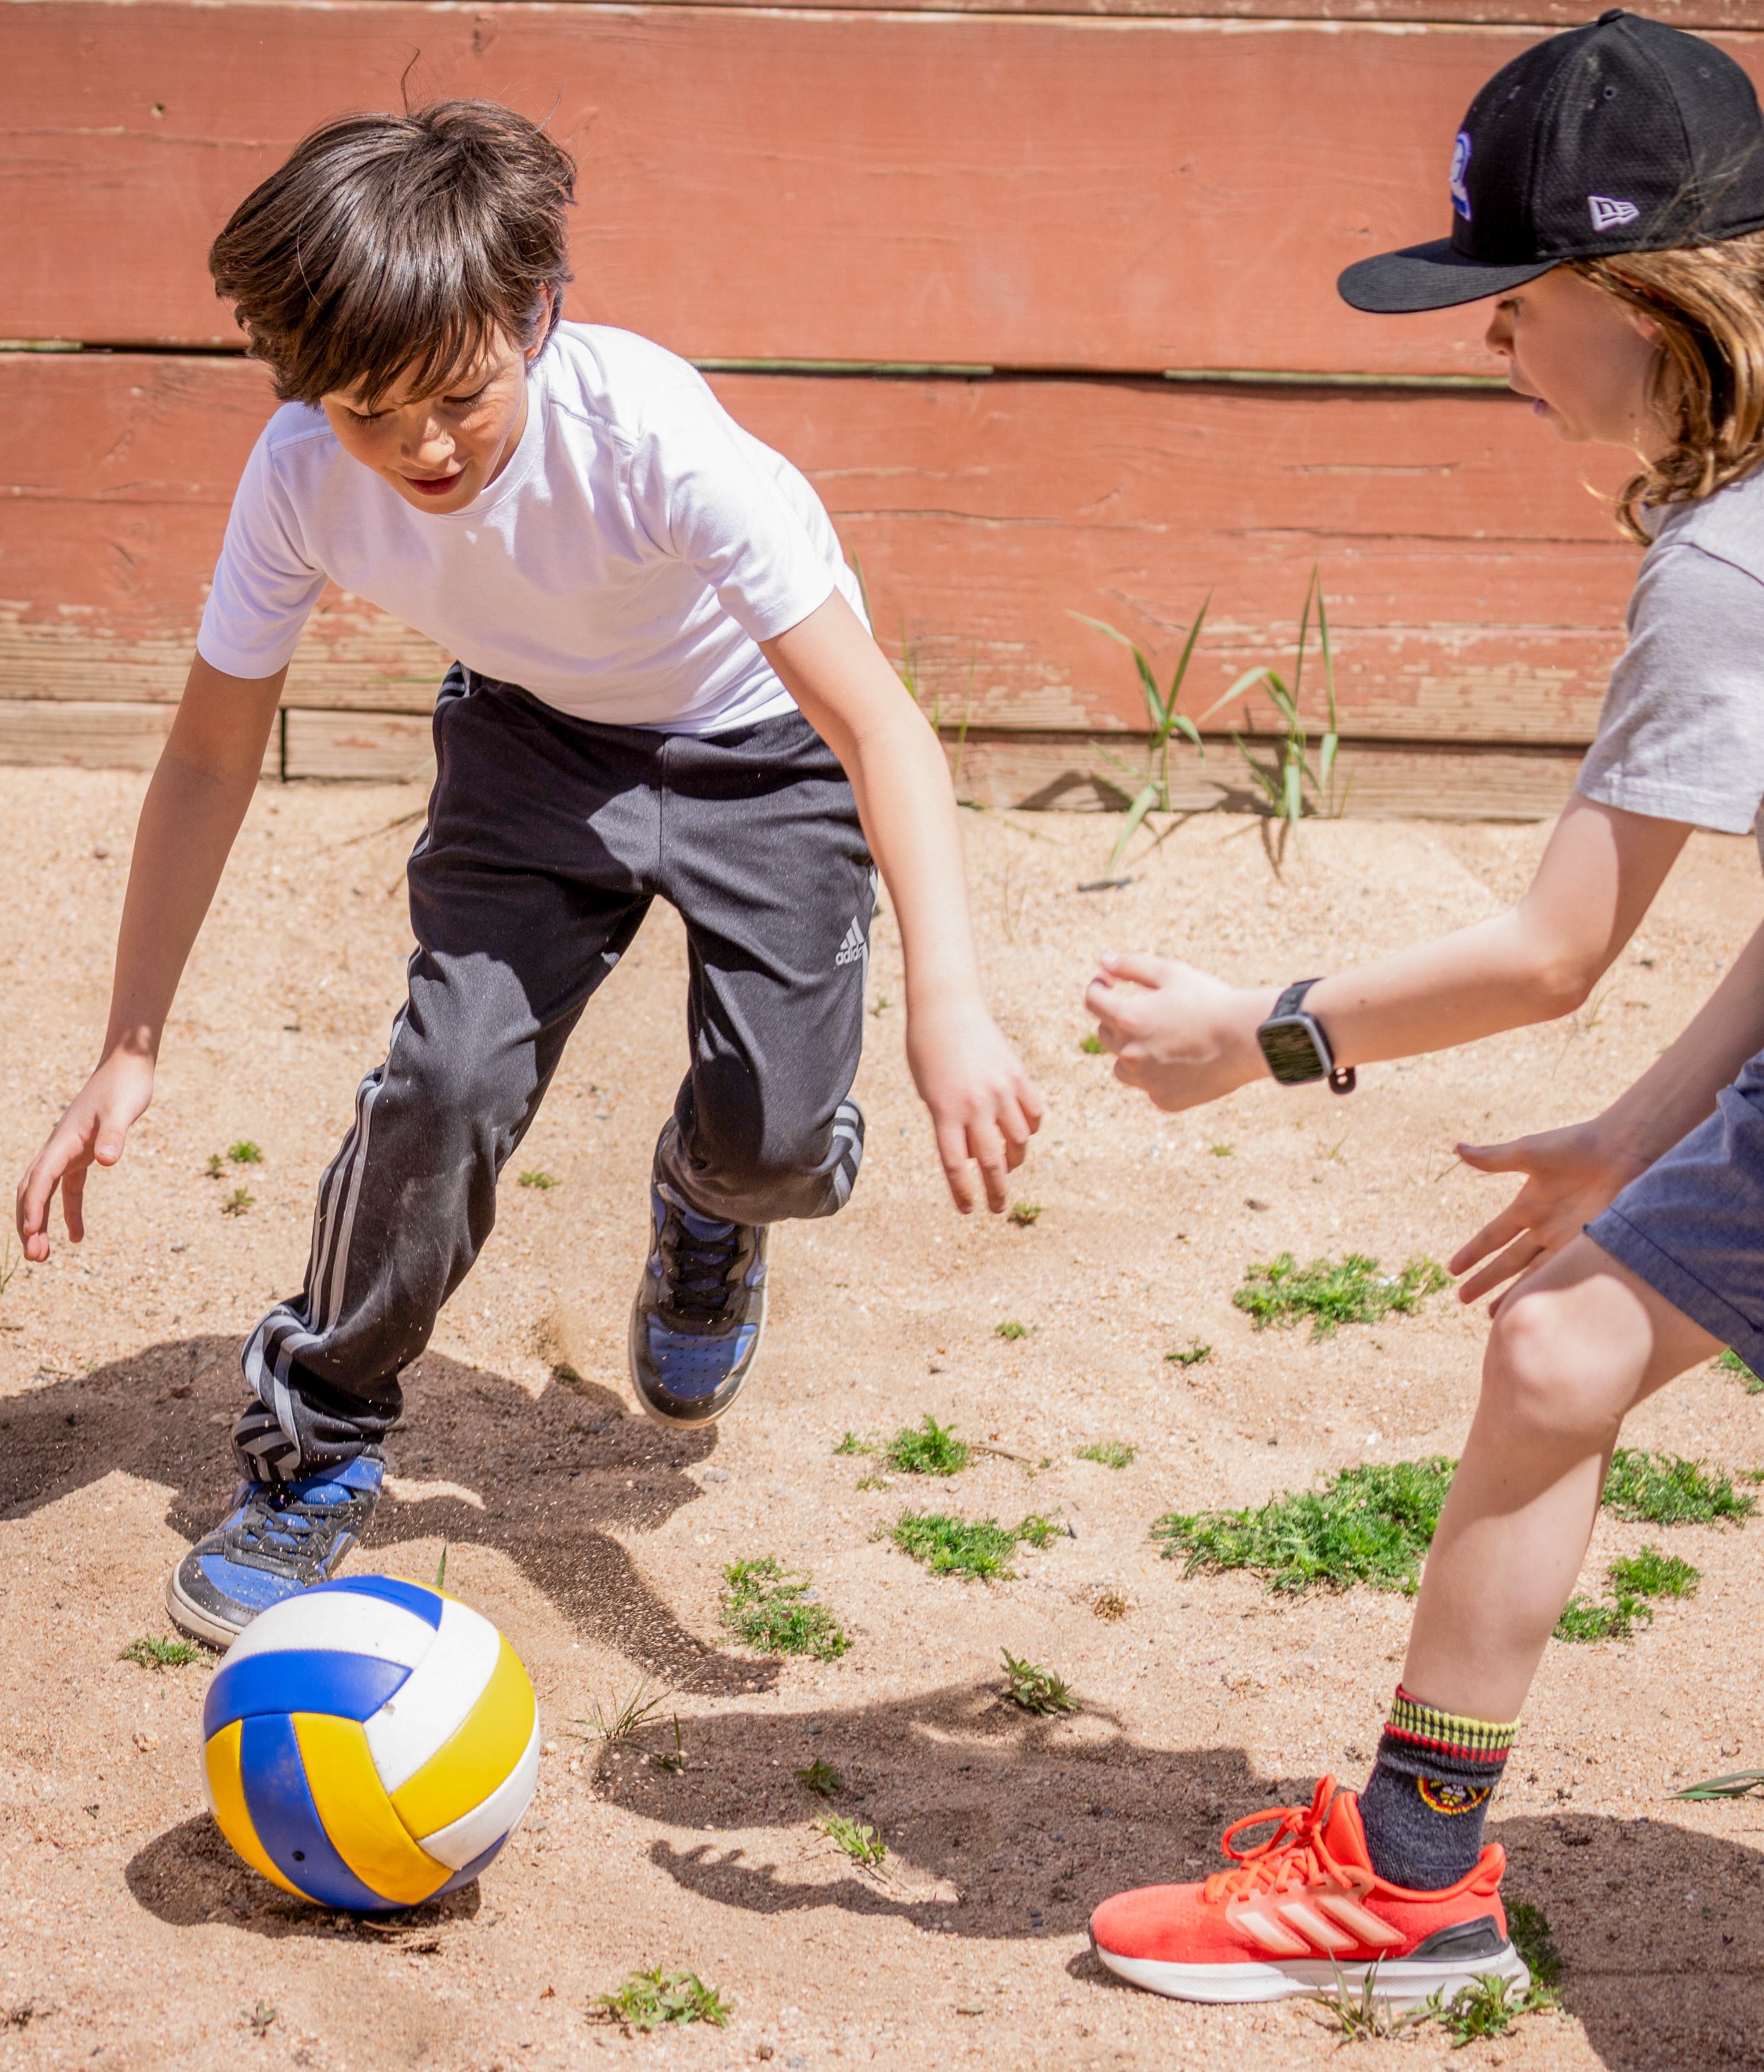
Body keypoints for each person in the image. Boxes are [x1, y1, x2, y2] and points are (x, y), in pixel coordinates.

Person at [12, 102, 1042, 1648]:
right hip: (533, 743)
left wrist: (947, 1000)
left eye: (457, 396)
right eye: (367, 411)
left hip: (764, 749)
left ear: (535, 312)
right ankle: (317, 1442)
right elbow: (213, 755)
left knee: (776, 1142)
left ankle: (709, 1207)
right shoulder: (299, 475)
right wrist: (130, 1042)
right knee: (445, 1082)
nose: (421, 448)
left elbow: (877, 722)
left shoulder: (651, 439)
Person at [1087, 12, 1764, 2006]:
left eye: (1513, 299)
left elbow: (1554, 948)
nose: (1493, 342)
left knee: (1561, 1345)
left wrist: (1260, 1031)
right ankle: (1410, 1874)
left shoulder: (1731, 565)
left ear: (1644, 297)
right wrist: (1639, 1130)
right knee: (1559, 1348)